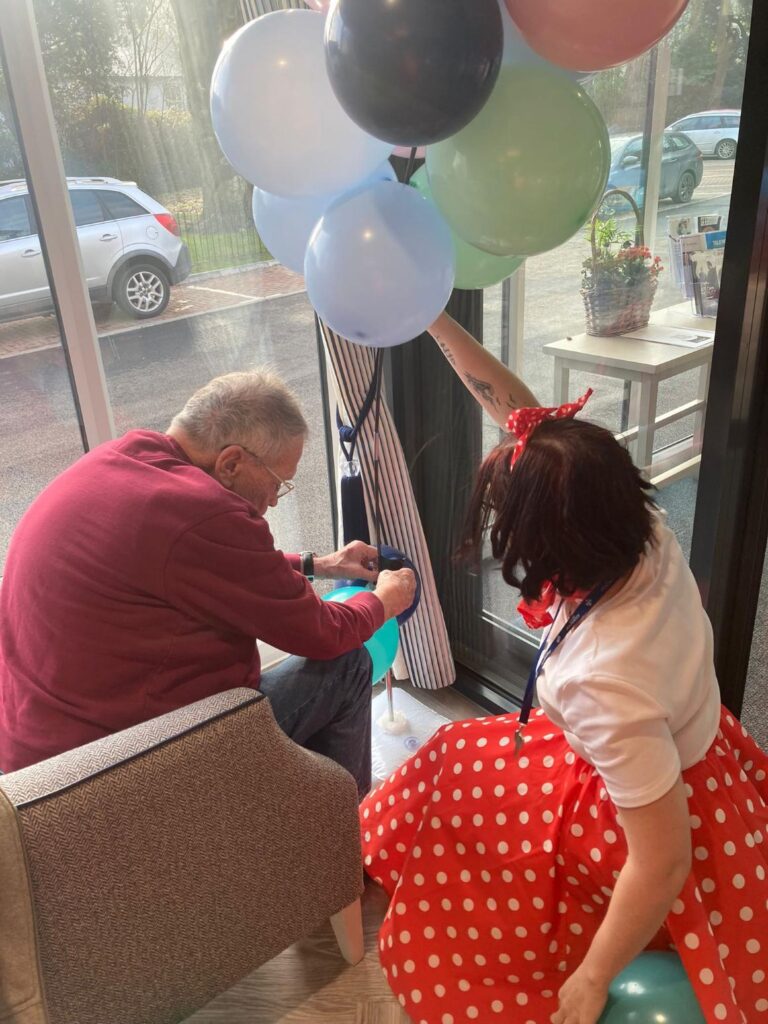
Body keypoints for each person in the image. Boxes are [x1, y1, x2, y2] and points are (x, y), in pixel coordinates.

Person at [360, 313, 768, 1024]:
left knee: (466, 789)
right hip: (686, 753)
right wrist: (432, 320)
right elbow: (527, 423)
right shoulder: (640, 533)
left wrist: (592, 977)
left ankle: (479, 928)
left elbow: (664, 861)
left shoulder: (605, 680)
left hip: (641, 811)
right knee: (455, 749)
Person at [0, 369, 415, 793]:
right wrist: (384, 600)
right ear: (231, 461)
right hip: (112, 772)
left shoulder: (120, 460)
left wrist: (322, 564)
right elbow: (324, 633)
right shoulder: (206, 513)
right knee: (345, 666)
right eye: (277, 482)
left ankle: (287, 807)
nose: (274, 499)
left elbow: (208, 565)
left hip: (36, 762)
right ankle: (338, 840)